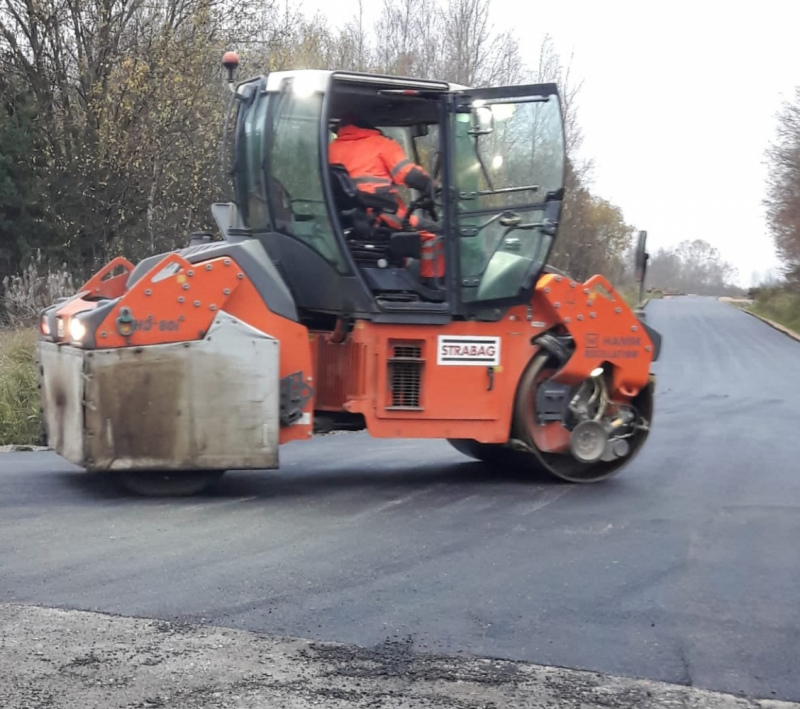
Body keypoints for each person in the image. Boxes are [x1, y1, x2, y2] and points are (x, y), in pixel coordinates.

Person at [328, 114, 444, 281]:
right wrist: (433, 186)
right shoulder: (382, 144)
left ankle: (404, 272)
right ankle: (434, 284)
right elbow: (408, 174)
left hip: (344, 218)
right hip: (382, 214)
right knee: (437, 234)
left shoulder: (332, 148)